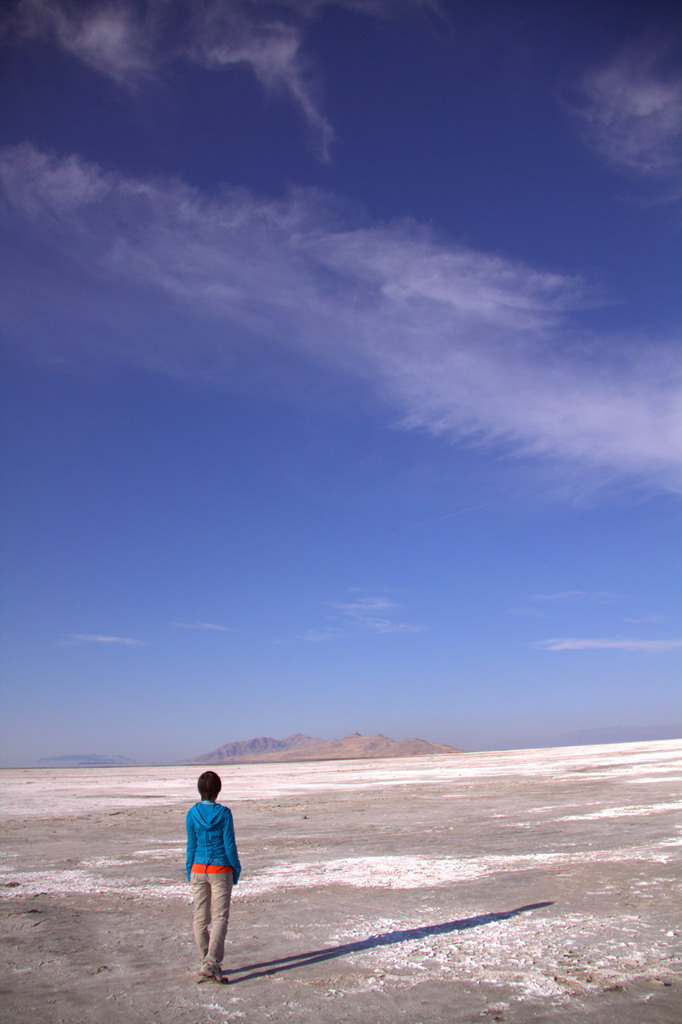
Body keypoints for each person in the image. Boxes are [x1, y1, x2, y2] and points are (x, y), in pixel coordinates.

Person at [185, 770, 241, 983]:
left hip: (198, 869)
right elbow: (229, 845)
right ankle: (211, 963)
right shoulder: (224, 813)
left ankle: (205, 962)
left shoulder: (192, 813)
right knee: (219, 918)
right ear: (217, 790)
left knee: (200, 917)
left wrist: (189, 869)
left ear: (200, 790)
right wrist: (235, 868)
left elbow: (191, 845)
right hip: (220, 870)